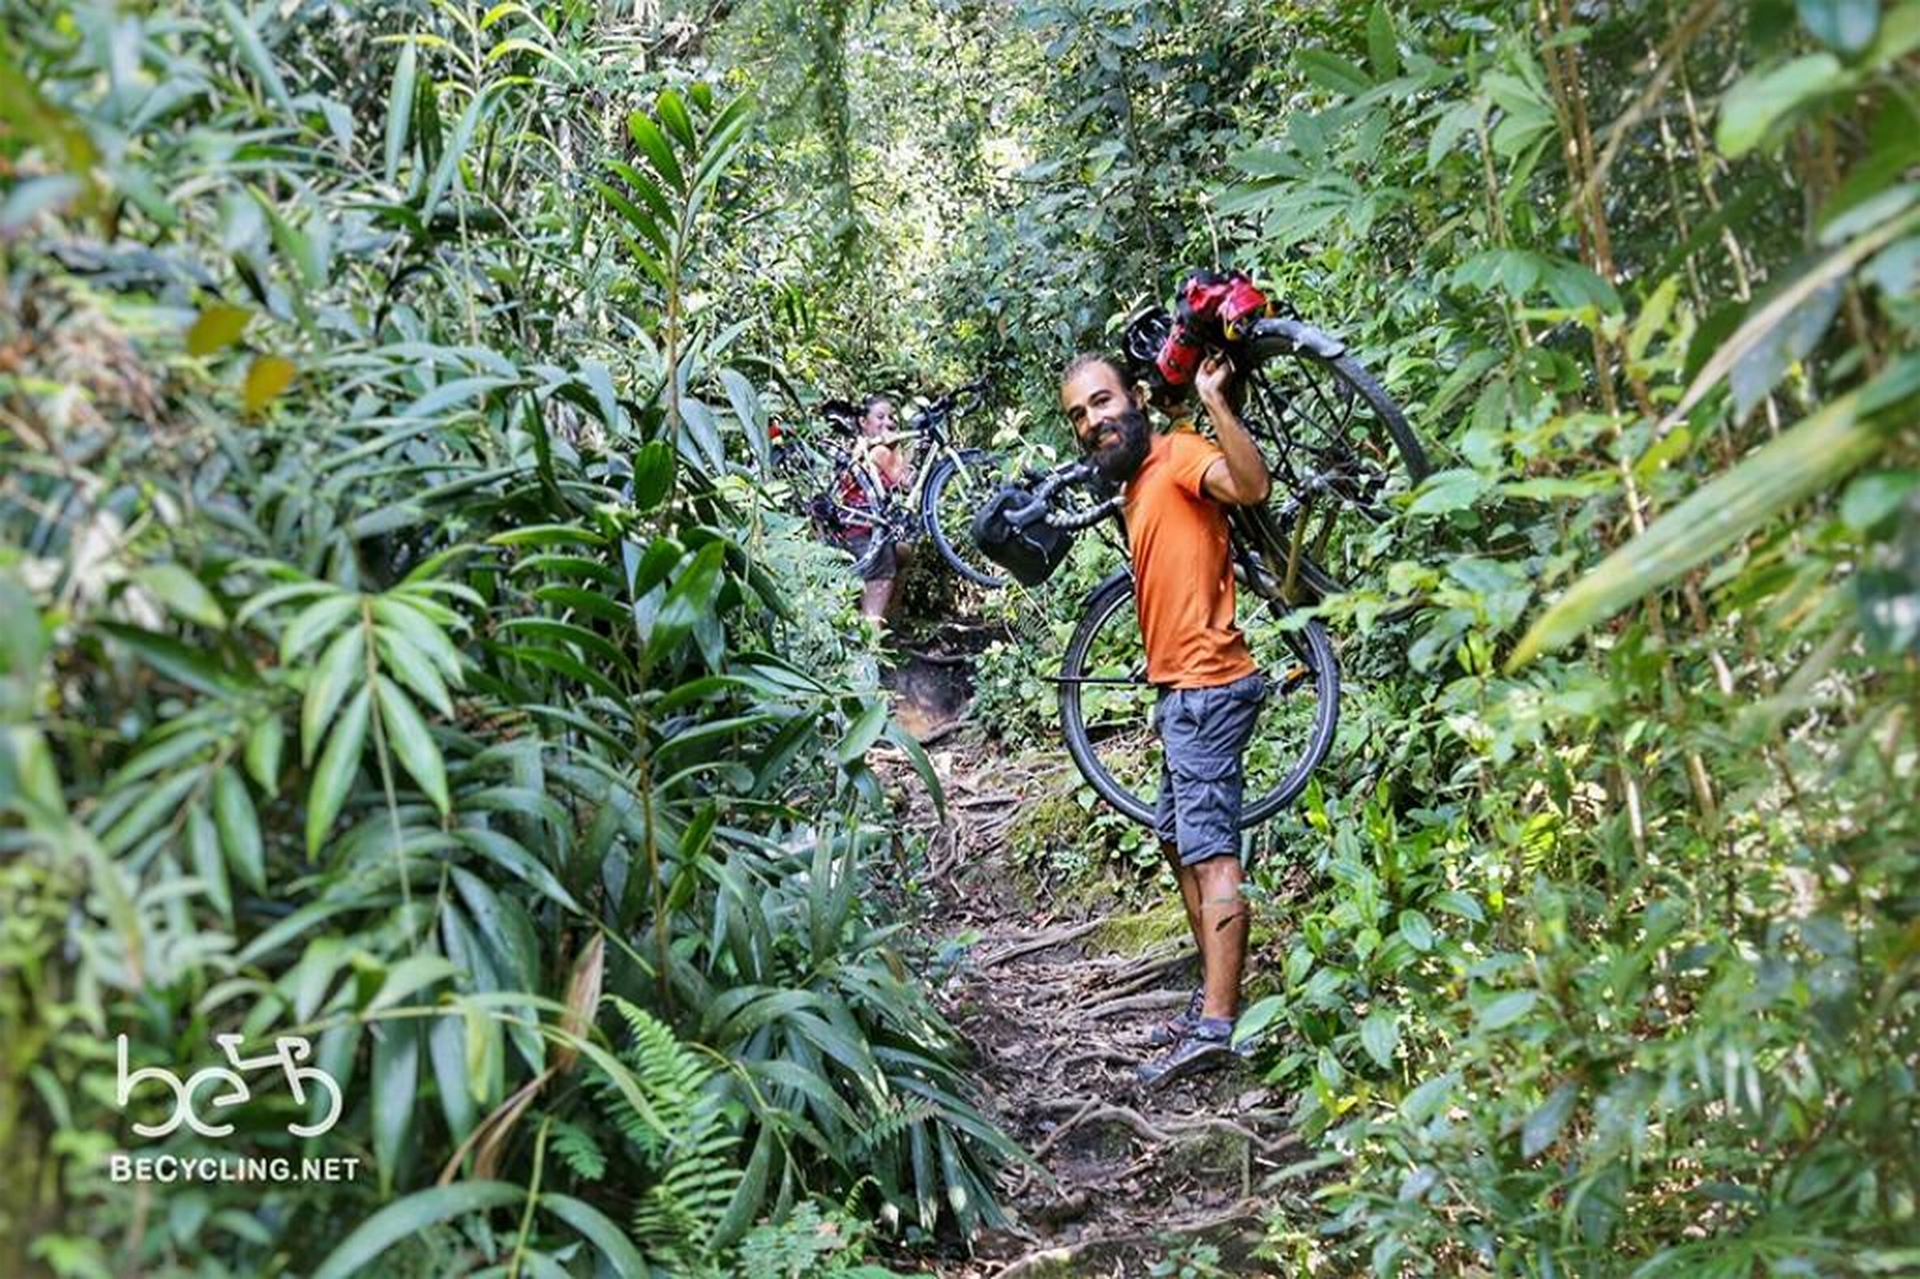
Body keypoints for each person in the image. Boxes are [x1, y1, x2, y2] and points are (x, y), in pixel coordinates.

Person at [1059, 349, 1271, 1089]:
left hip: (1211, 689)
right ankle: (1208, 1003)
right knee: (1181, 843)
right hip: (1178, 694)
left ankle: (1217, 1024)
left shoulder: (1179, 455)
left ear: (1137, 398)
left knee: (1213, 855)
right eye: (1079, 414)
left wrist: (1214, 401)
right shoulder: (1137, 483)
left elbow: (1249, 484)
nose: (1092, 421)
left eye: (1102, 401)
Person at [842, 393, 912, 623]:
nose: (887, 422)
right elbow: (906, 482)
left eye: (890, 417)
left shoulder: (860, 448)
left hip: (851, 531)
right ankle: (872, 643)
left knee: (904, 551)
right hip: (862, 534)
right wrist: (897, 447)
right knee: (874, 607)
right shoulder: (879, 452)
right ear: (864, 422)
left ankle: (890, 626)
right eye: (880, 416)